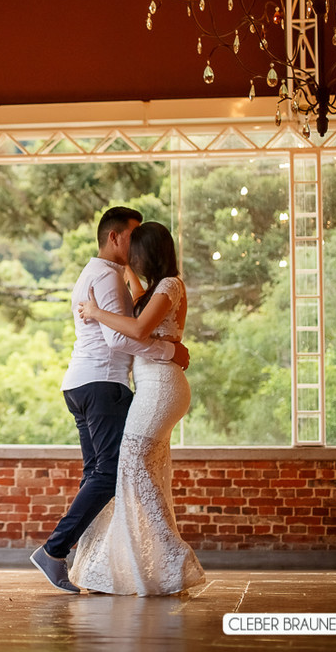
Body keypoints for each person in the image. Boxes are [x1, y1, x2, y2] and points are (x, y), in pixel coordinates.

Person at [30, 208, 190, 594]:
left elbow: (138, 306)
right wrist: (171, 353)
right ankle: (54, 550)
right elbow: (121, 338)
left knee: (96, 474)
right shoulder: (105, 277)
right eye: (132, 237)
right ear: (116, 237)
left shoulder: (105, 274)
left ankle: (85, 561)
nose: (135, 247)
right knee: (109, 473)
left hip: (84, 383)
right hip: (103, 383)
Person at [67, 221, 205, 596]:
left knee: (131, 466)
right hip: (151, 385)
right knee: (139, 470)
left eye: (137, 251)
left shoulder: (171, 285)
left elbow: (140, 328)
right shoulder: (154, 287)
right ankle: (138, 562)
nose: (133, 257)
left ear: (151, 251)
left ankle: (172, 558)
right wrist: (121, 266)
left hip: (162, 386)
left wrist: (95, 312)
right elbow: (139, 297)